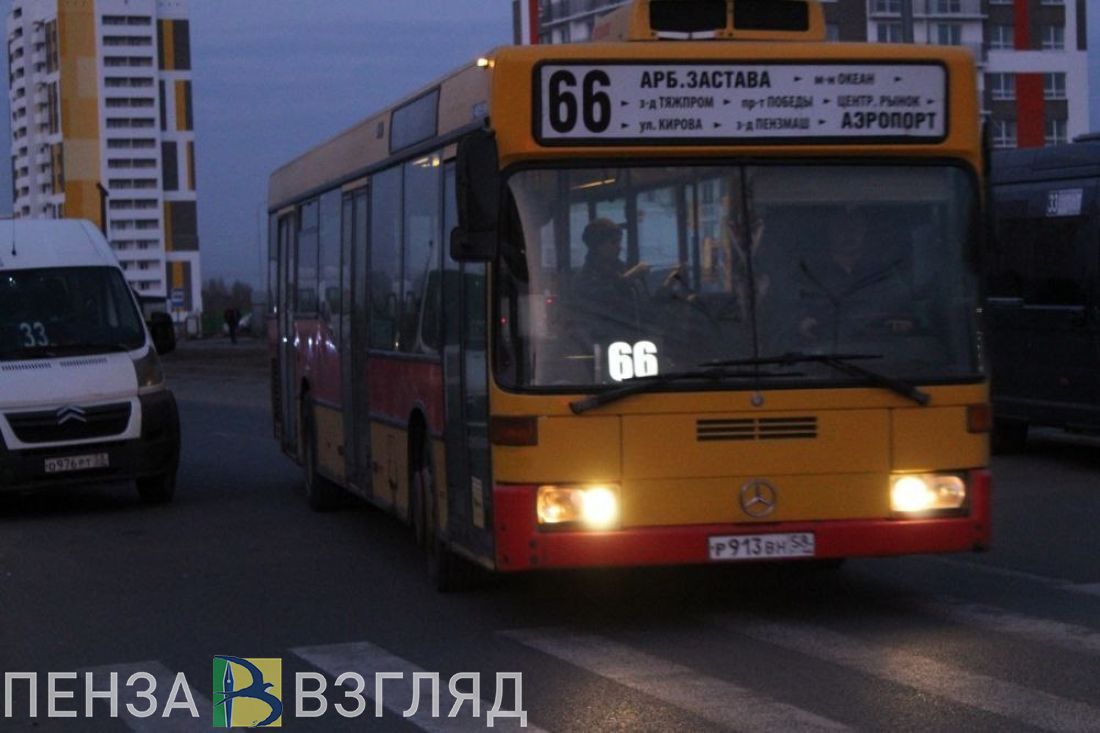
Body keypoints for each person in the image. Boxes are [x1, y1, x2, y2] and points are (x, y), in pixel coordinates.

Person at [794, 207, 915, 348]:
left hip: (882, 357)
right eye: (841, 226)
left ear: (865, 229)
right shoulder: (806, 273)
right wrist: (800, 323)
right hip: (819, 356)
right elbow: (793, 314)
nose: (849, 232)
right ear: (828, 229)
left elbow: (905, 312)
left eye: (856, 226)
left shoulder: (883, 273)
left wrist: (905, 323)